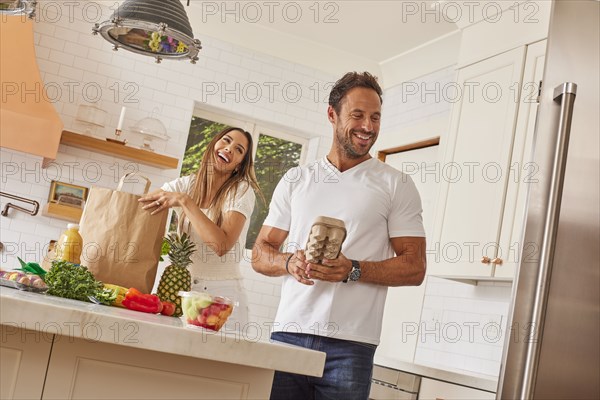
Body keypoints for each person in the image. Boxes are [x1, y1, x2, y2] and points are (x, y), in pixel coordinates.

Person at [251, 72, 427, 399]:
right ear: (332, 115)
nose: (368, 126)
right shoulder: (296, 179)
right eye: (357, 115)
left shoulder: (396, 184)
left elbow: (415, 267)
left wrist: (354, 269)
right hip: (290, 335)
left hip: (352, 345)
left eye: (375, 117)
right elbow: (260, 253)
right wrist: (289, 262)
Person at [140, 127, 263, 330]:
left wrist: (185, 202)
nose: (229, 148)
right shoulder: (187, 184)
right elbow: (143, 205)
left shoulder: (240, 190)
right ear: (214, 144)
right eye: (226, 140)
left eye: (239, 149)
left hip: (222, 297)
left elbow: (220, 245)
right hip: (184, 290)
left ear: (239, 164)